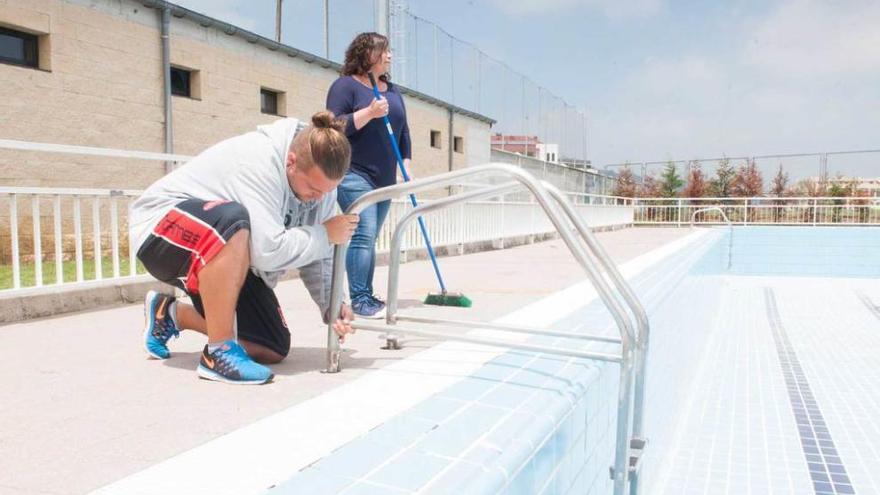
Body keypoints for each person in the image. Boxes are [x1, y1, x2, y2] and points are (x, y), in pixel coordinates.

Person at [129, 111, 358, 385]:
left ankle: (170, 313)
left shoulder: (320, 186)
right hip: (162, 230)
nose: (319, 198)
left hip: (223, 247)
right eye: (313, 188)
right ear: (291, 162)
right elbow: (268, 251)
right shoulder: (257, 161)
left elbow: (320, 248)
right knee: (234, 219)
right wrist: (324, 233)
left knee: (272, 345)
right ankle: (219, 353)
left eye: (328, 190)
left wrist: (333, 305)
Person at [326, 32, 411, 319]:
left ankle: (365, 294)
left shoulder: (393, 90)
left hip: (385, 177)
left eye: (389, 52)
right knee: (363, 233)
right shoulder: (345, 86)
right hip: (353, 172)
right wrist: (369, 113)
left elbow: (404, 133)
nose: (389, 56)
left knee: (371, 235)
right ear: (367, 54)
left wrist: (406, 169)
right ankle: (361, 299)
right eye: (383, 51)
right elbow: (334, 125)